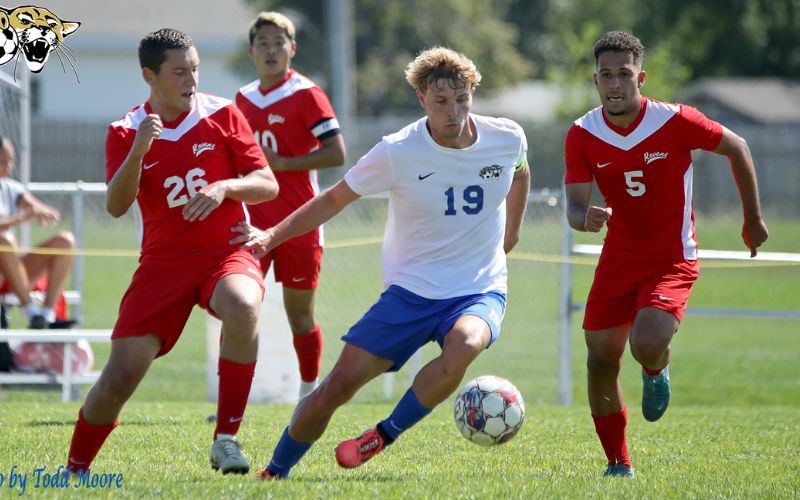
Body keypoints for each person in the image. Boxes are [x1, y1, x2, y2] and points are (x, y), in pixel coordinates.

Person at [230, 46, 531, 479]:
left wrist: (513, 233)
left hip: (478, 289)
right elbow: (333, 198)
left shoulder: (507, 137)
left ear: (472, 93)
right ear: (422, 98)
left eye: (462, 99)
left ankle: (384, 434)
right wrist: (272, 235)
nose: (454, 112)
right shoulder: (397, 151)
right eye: (442, 101)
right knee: (337, 387)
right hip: (409, 292)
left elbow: (520, 170)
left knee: (464, 345)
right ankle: (274, 472)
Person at [65, 29, 278, 476]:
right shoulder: (125, 131)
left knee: (243, 305)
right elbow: (116, 205)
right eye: (179, 71)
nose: (191, 79)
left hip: (226, 253)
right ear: (150, 76)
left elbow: (266, 184)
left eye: (195, 68)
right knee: (119, 378)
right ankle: (75, 468)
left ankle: (226, 439)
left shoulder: (223, 113)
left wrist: (224, 187)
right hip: (162, 266)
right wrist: (140, 150)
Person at [563, 31, 769, 477]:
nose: (615, 84)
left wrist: (751, 219)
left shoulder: (675, 120)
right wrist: (585, 218)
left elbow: (738, 146)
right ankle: (619, 464)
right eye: (606, 75)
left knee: (647, 343)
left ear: (641, 76)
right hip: (617, 259)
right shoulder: (582, 133)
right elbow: (574, 207)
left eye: (624, 74)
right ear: (595, 80)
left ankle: (656, 370)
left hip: (671, 257)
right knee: (599, 358)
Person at [235, 12, 346, 400]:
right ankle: (234, 398)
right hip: (250, 224)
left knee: (300, 317)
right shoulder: (242, 99)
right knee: (240, 311)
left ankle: (308, 392)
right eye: (262, 43)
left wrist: (283, 164)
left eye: (278, 42)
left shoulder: (307, 94)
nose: (270, 50)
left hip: (301, 222)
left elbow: (337, 153)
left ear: (292, 49)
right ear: (251, 51)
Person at [0, 136, 77, 329]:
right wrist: (22, 217)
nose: (9, 166)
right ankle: (31, 312)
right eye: (3, 161)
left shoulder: (11, 188)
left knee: (65, 241)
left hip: (12, 272)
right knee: (4, 239)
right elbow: (23, 215)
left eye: (11, 160)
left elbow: (35, 206)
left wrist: (45, 213)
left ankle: (47, 315)